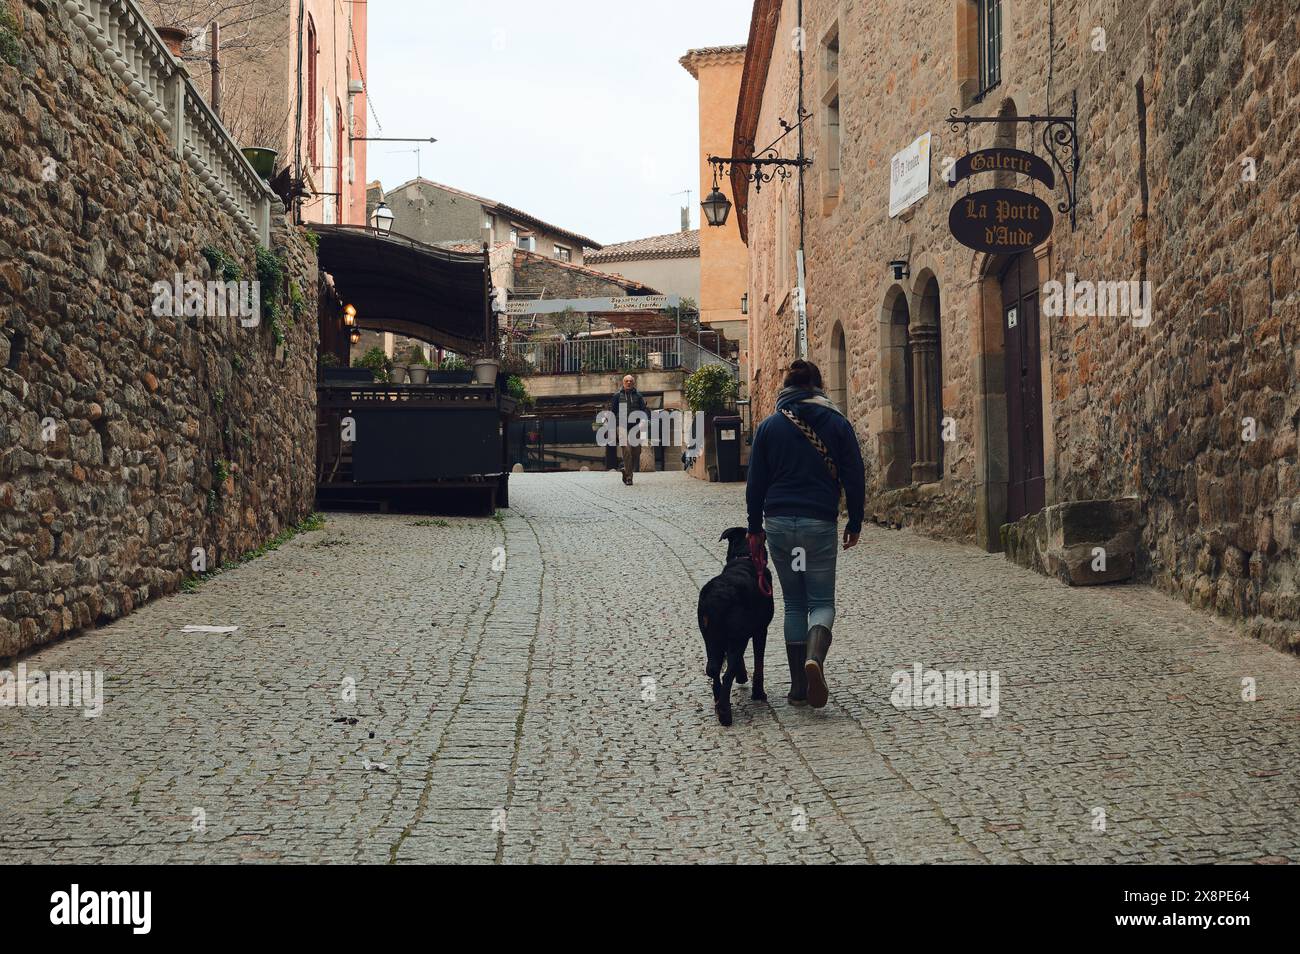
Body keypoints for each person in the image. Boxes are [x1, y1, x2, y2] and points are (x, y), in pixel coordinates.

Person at [745, 360, 865, 708]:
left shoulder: (769, 427)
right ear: (818, 385)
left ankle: (799, 686)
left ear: (787, 386)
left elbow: (755, 484)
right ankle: (816, 658)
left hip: (780, 524)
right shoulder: (838, 423)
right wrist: (855, 521)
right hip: (818, 523)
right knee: (822, 602)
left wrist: (755, 528)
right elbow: (854, 475)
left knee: (794, 604)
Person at [610, 374, 648, 485]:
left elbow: (644, 410)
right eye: (626, 381)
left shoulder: (638, 396)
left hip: (635, 427)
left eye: (631, 381)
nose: (628, 382)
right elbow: (613, 412)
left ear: (634, 383)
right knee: (626, 449)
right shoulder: (617, 396)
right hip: (621, 426)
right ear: (623, 382)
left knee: (636, 451)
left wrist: (643, 421)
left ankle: (626, 471)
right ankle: (629, 477)